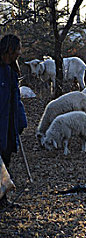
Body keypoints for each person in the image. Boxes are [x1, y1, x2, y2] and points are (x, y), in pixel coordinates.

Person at [0, 34, 27, 209]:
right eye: (17, 49)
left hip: (9, 123)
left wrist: (20, 120)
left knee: (6, 158)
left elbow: (15, 99)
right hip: (0, 122)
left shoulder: (11, 71)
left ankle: (2, 199)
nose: (19, 53)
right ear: (9, 49)